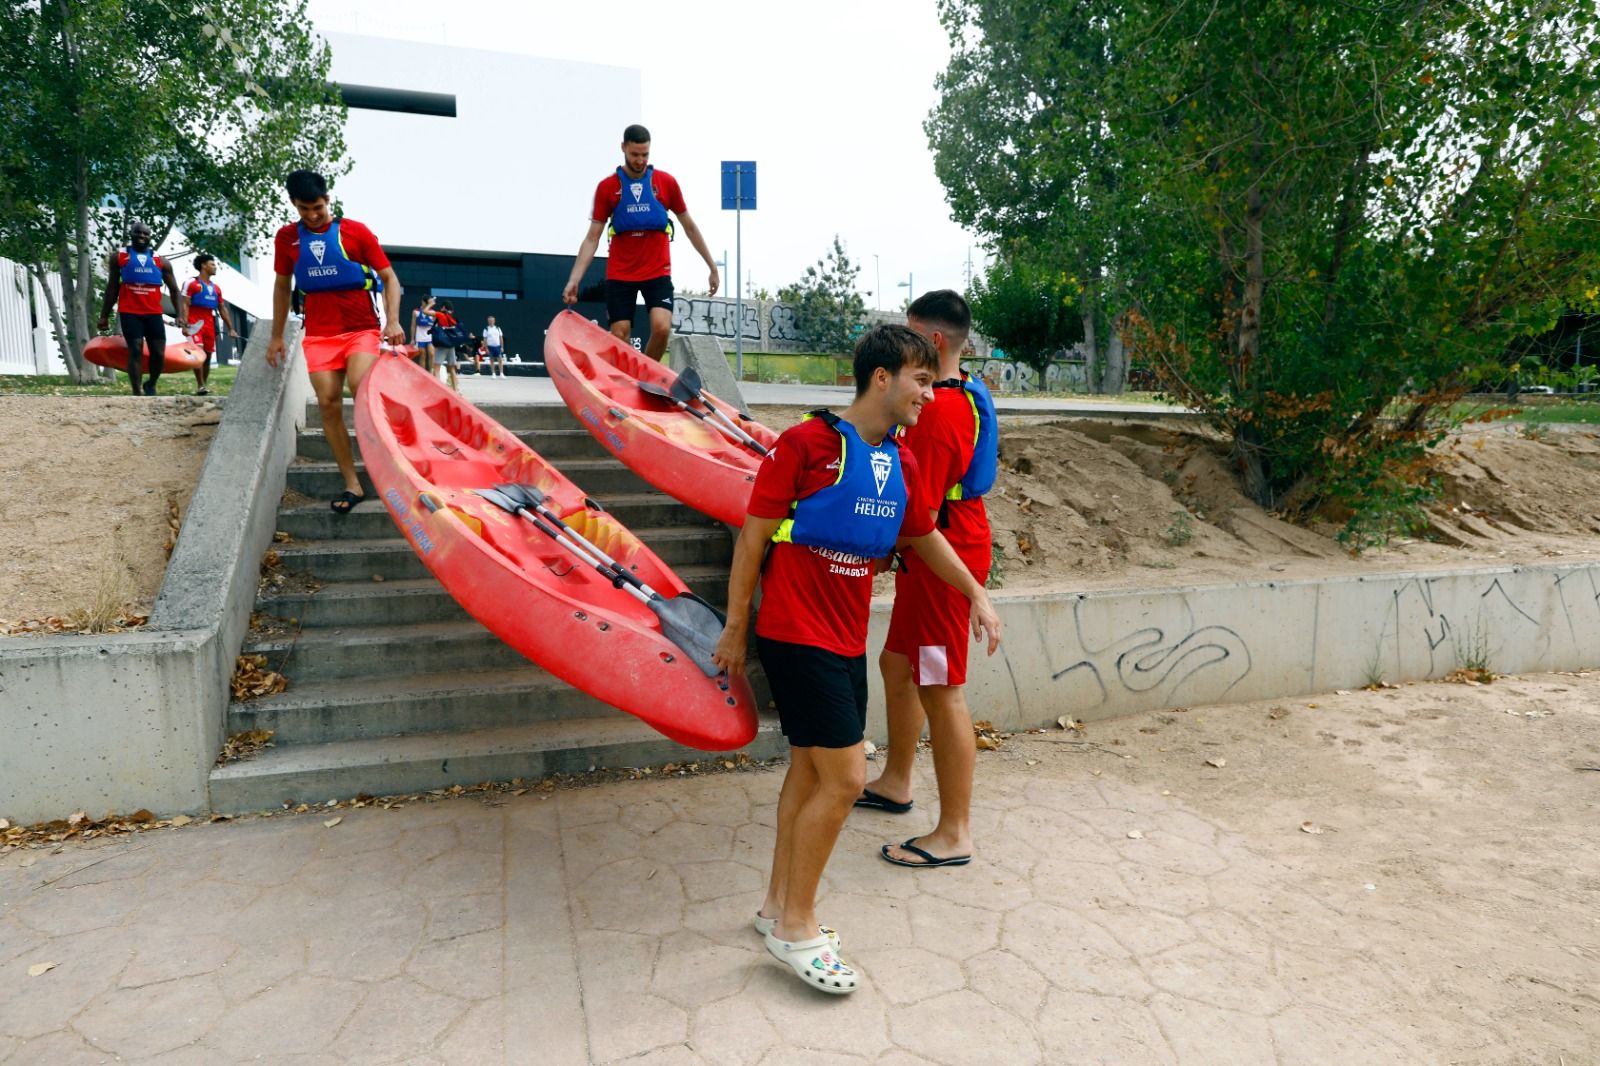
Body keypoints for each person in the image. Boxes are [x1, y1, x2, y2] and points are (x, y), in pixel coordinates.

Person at [712, 324, 1002, 995]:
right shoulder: (805, 444)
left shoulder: (895, 460)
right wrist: (735, 628)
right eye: (922, 381)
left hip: (845, 638)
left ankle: (775, 908)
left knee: (811, 775)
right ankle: (798, 929)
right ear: (882, 378)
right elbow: (753, 539)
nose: (931, 394)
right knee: (844, 778)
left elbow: (923, 535)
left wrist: (977, 594)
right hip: (795, 631)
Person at [859, 291, 1000, 871]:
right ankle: (896, 780)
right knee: (897, 664)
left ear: (933, 342)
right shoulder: (960, 391)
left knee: (941, 690)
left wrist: (877, 551)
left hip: (946, 557)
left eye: (910, 334)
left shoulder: (939, 410)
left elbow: (917, 511)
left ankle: (954, 832)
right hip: (934, 549)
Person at [266, 169, 403, 515]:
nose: (312, 215)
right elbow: (283, 287)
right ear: (294, 206)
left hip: (361, 330)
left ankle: (395, 467)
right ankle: (352, 482)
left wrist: (393, 321)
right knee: (327, 403)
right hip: (320, 335)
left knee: (362, 390)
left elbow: (389, 278)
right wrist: (277, 336)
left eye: (317, 207)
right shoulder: (286, 239)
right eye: (303, 209)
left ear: (328, 200)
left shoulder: (355, 232)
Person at [561, 123, 719, 360]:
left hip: (657, 271)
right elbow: (592, 238)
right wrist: (574, 280)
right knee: (620, 333)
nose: (640, 160)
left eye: (645, 154)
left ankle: (645, 379)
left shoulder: (666, 183)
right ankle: (622, 380)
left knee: (662, 327)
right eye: (635, 154)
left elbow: (690, 227)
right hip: (621, 273)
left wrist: (712, 267)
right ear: (623, 148)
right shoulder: (607, 188)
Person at [97, 221, 187, 396]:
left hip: (153, 313)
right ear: (131, 234)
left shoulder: (162, 262)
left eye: (145, 234)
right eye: (138, 233)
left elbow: (175, 291)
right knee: (135, 349)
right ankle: (137, 392)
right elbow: (112, 288)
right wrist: (104, 316)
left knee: (159, 353)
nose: (142, 236)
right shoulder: (119, 258)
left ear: (150, 237)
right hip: (130, 312)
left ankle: (151, 383)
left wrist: (180, 315)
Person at [183, 253, 240, 395]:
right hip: (194, 322)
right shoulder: (192, 283)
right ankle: (200, 385)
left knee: (207, 357)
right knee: (198, 353)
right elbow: (185, 304)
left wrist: (231, 328)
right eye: (212, 264)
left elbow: (222, 308)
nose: (215, 267)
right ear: (203, 266)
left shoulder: (217, 288)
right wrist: (185, 325)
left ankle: (203, 385)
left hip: (209, 322)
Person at [434, 300, 461, 390]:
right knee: (452, 369)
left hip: (442, 344)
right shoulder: (452, 318)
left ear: (443, 307)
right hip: (451, 345)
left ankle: (437, 390)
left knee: (436, 368)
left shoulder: (440, 315)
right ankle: (455, 390)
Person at [412, 295, 437, 373]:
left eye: (427, 303)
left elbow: (435, 326)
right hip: (420, 337)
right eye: (425, 302)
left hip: (429, 337)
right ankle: (423, 374)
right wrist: (412, 339)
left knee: (432, 354)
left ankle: (431, 373)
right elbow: (413, 326)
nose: (425, 304)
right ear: (422, 302)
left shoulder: (432, 312)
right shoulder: (416, 312)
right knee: (422, 356)